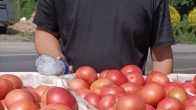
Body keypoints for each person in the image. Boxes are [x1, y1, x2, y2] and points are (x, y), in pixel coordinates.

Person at [33, 0, 175, 74]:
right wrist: (54, 53)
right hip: (73, 96)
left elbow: (161, 56)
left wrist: (157, 97)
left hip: (129, 103)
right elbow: (45, 32)